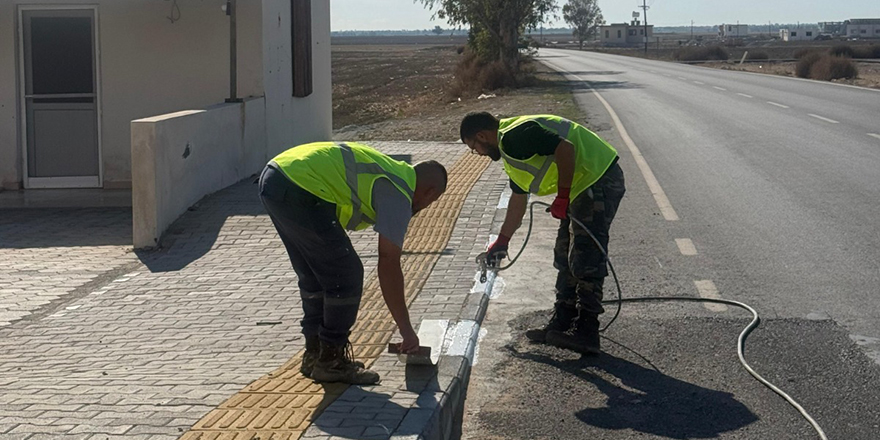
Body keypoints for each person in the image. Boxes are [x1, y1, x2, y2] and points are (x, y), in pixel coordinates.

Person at [258, 141, 448, 384]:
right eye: (432, 202)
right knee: (346, 276)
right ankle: (331, 361)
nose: (426, 207)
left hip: (275, 177)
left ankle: (315, 355)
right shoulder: (400, 191)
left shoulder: (390, 170)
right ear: (431, 193)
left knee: (316, 275)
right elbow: (388, 263)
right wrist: (406, 330)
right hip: (301, 186)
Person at [459, 112, 625, 355]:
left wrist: (563, 195)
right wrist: (501, 241)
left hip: (598, 177)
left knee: (586, 255)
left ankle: (587, 331)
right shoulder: (509, 149)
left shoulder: (515, 136)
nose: (479, 154)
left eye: (475, 148)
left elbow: (565, 148)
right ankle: (562, 321)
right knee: (563, 253)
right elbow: (518, 199)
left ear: (481, 136)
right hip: (581, 185)